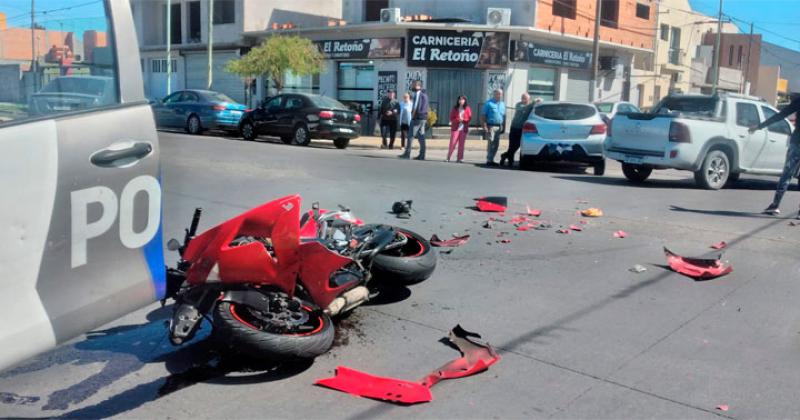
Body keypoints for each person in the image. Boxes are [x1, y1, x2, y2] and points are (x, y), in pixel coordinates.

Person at [749, 94, 800, 216]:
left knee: (787, 175)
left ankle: (775, 205)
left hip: (797, 143)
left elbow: (781, 115)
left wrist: (760, 126)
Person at [500, 93, 536, 167]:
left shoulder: (530, 106)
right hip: (514, 127)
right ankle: (510, 161)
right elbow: (524, 108)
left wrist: (537, 102)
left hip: (522, 129)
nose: (523, 99)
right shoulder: (519, 105)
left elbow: (533, 107)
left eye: (525, 98)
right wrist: (533, 102)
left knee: (517, 145)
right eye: (523, 97)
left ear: (529, 99)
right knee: (511, 145)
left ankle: (504, 155)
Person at [400, 80, 429, 160]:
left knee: (410, 136)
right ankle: (422, 155)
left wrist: (413, 116)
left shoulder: (418, 94)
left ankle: (407, 154)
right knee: (421, 137)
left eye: (413, 85)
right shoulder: (424, 94)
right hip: (423, 118)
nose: (412, 86)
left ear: (418, 86)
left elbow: (416, 106)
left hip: (417, 118)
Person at [481, 89, 506, 166]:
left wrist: (503, 127)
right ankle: (489, 160)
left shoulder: (502, 104)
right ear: (494, 94)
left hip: (499, 127)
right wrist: (484, 126)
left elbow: (503, 116)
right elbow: (483, 115)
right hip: (490, 126)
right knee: (491, 143)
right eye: (498, 94)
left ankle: (492, 159)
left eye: (501, 94)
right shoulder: (488, 103)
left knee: (496, 144)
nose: (499, 95)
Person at [447, 95, 472, 163]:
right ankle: (448, 157)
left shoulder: (467, 108)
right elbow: (451, 118)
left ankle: (460, 158)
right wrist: (458, 120)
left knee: (461, 144)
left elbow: (469, 118)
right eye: (460, 99)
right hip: (455, 128)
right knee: (452, 143)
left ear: (465, 101)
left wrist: (464, 120)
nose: (461, 101)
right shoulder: (455, 108)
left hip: (463, 129)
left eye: (462, 99)